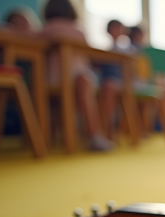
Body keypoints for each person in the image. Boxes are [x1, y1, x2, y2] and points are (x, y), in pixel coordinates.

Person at [39, 0, 113, 151]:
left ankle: (90, 134)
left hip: (52, 79)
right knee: (85, 80)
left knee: (84, 81)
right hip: (71, 80)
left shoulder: (46, 29)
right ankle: (93, 135)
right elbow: (89, 56)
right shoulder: (78, 30)